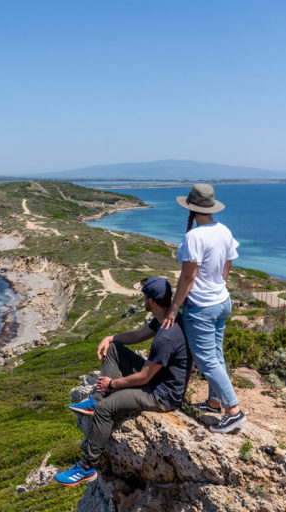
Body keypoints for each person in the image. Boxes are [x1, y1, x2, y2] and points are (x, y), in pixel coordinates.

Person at [55, 277, 191, 486]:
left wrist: (112, 384)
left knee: (106, 408)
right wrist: (111, 338)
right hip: (157, 378)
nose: (143, 299)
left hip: (162, 394)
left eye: (144, 296)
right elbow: (138, 335)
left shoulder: (166, 336)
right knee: (114, 349)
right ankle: (96, 399)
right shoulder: (167, 318)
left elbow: (145, 376)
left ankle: (85, 467)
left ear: (151, 301)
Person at [161, 184, 246, 434]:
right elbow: (227, 266)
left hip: (201, 306)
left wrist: (174, 306)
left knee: (207, 359)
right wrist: (216, 285)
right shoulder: (224, 230)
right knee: (216, 354)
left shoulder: (194, 237)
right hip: (222, 301)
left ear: (190, 208)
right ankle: (213, 402)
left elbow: (188, 276)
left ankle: (233, 411)